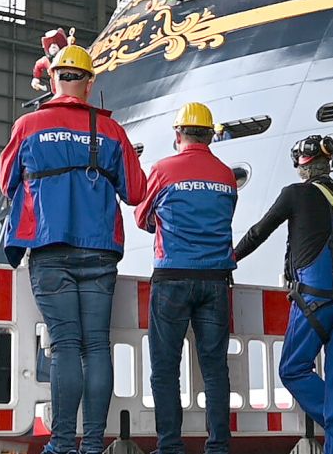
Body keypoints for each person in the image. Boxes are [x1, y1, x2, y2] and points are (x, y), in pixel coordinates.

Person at [0, 37, 147, 454]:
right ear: (88, 81)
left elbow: (7, 183)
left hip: (49, 245)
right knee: (95, 344)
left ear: (54, 79)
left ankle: (63, 445)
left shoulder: (28, 126)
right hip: (99, 250)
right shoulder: (112, 130)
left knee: (65, 345)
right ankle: (94, 443)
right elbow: (135, 192)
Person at [234, 135, 333, 454]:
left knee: (292, 368)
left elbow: (258, 232)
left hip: (315, 299)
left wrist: (230, 258)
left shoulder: (295, 194)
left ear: (301, 166)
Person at [134, 102, 237, 454]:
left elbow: (141, 218)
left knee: (165, 367)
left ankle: (170, 446)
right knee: (215, 369)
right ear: (210, 135)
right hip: (216, 280)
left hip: (173, 276)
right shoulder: (226, 175)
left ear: (177, 134)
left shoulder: (162, 170)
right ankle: (219, 447)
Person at [32, 28, 69, 92]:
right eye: (51, 46)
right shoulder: (45, 60)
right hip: (56, 89)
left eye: (55, 45)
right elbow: (37, 66)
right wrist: (36, 78)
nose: (53, 47)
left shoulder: (66, 57)